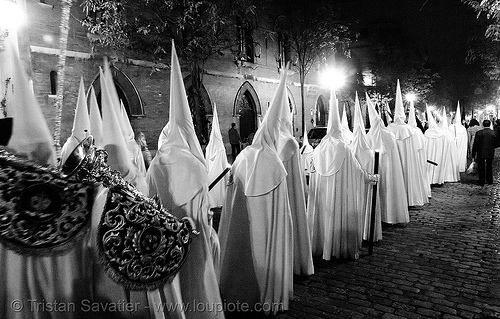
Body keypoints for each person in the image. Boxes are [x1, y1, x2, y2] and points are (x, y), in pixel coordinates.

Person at [472, 119, 498, 186]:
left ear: (483, 125)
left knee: (481, 167)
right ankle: (489, 180)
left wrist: (473, 153)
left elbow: (475, 144)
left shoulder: (479, 133)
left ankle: (482, 181)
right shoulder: (494, 133)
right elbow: (497, 143)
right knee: (489, 166)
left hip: (481, 152)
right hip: (490, 151)